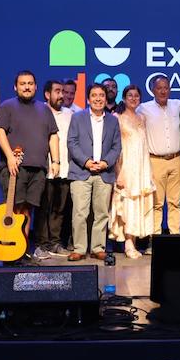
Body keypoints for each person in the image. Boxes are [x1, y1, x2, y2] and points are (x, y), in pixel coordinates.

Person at [0, 71, 60, 245]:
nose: (26, 87)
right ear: (15, 87)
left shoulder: (44, 109)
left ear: (36, 87)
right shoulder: (7, 106)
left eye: (30, 83)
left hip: (38, 168)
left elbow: (53, 135)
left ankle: (21, 247)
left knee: (27, 210)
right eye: (22, 84)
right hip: (15, 167)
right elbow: (0, 131)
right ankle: (9, 247)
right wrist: (10, 157)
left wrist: (55, 161)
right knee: (15, 208)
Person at [67, 84, 122, 261]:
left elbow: (116, 146)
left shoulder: (113, 120)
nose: (98, 99)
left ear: (106, 98)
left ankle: (98, 248)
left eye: (101, 95)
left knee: (102, 213)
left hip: (104, 173)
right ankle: (79, 248)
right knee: (80, 213)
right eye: (94, 95)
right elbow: (72, 143)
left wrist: (105, 163)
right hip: (81, 171)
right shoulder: (77, 117)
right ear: (88, 99)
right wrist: (86, 162)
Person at [110, 85, 156, 258]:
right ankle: (128, 244)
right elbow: (115, 147)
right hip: (126, 167)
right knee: (128, 204)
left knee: (139, 203)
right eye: (130, 95)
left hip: (142, 167)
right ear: (124, 98)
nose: (134, 98)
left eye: (137, 96)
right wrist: (118, 171)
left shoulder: (142, 118)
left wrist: (149, 171)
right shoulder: (117, 118)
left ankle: (134, 242)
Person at [137, 76, 180, 240]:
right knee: (156, 204)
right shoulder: (143, 108)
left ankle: (175, 238)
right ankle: (155, 241)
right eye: (159, 88)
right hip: (155, 161)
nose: (163, 91)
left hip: (176, 160)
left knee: (175, 203)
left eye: (166, 88)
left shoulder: (178, 105)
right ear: (153, 90)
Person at [33, 80, 73, 259]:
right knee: (43, 209)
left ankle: (55, 243)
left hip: (65, 169)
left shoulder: (70, 114)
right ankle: (41, 244)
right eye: (57, 91)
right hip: (45, 168)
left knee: (59, 208)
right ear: (47, 94)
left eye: (63, 92)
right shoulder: (39, 111)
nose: (61, 95)